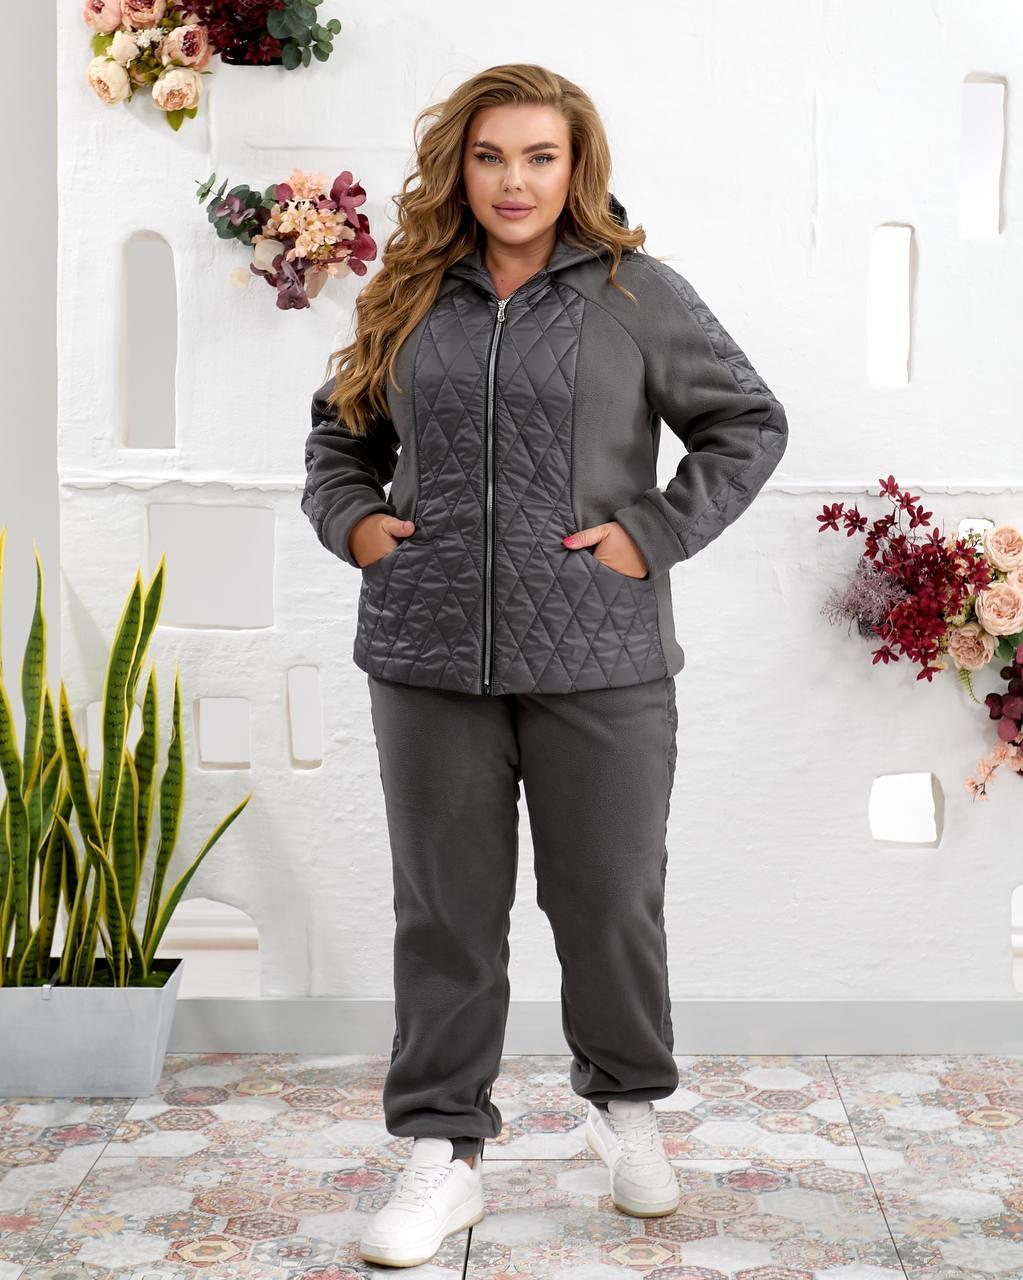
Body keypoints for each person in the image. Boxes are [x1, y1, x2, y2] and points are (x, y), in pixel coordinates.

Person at [302, 62, 788, 1270]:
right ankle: (443, 1149)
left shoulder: (638, 293)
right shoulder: (408, 291)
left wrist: (653, 530)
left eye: (539, 156)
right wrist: (356, 523)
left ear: (577, 168)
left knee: (610, 900)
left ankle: (628, 1112)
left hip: (602, 655)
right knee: (444, 913)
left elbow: (747, 421)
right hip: (426, 653)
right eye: (489, 156)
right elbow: (338, 438)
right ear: (458, 167)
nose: (513, 181)